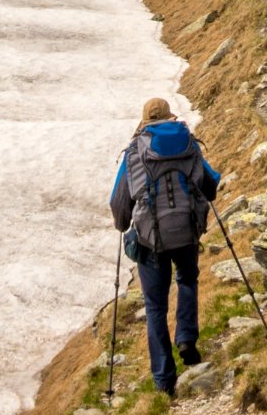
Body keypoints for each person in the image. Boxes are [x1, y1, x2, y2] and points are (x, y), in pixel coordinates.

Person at [110, 96, 221, 398]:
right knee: (187, 280)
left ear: (145, 121)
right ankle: (186, 338)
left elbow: (119, 202)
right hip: (186, 232)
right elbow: (210, 184)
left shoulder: (135, 151)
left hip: (150, 241)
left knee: (155, 306)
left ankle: (164, 379)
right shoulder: (188, 143)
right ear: (170, 117)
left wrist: (122, 224)